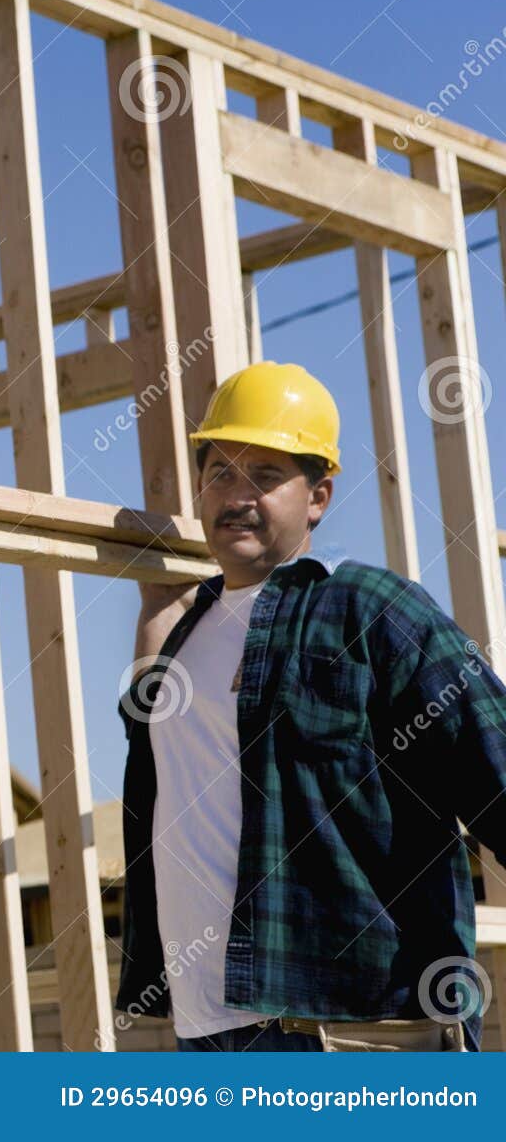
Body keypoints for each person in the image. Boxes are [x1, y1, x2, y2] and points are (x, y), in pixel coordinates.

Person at [117, 360, 504, 1052]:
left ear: (318, 495)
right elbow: (169, 757)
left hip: (354, 1029)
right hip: (209, 1030)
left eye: (265, 476)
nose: (237, 496)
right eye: (220, 474)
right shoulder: (186, 636)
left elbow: (496, 765)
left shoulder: (371, 611)